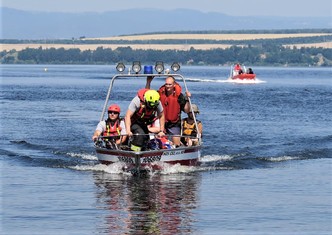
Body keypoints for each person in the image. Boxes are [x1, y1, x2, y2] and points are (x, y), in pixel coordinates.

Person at [146, 76, 191, 147]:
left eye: (170, 84)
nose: (168, 86)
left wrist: (187, 99)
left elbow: (187, 110)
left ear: (174, 85)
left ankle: (179, 147)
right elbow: (147, 94)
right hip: (161, 122)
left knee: (176, 144)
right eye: (166, 84)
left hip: (174, 123)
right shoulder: (160, 93)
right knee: (157, 140)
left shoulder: (179, 96)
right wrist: (148, 82)